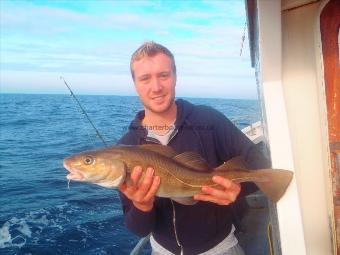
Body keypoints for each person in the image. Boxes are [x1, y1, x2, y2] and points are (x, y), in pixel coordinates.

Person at [118, 41, 268, 255]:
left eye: (163, 75)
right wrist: (142, 207)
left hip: (220, 248)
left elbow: (260, 165)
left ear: (175, 76)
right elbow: (138, 228)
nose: (156, 87)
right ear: (135, 84)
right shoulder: (127, 148)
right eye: (145, 78)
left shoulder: (208, 120)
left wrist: (237, 190)